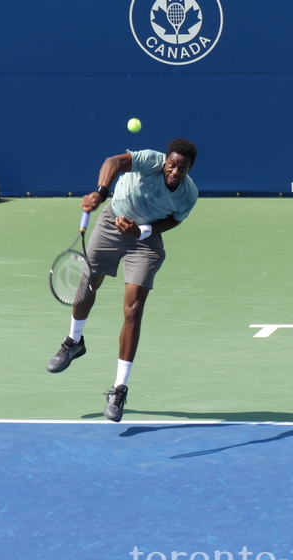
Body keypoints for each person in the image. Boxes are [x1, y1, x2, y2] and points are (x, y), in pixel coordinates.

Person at [47, 138, 198, 422]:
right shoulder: (150, 161)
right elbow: (113, 163)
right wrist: (101, 193)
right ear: (165, 160)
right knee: (88, 285)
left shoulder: (188, 195)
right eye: (172, 164)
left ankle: (118, 389)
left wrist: (140, 231)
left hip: (144, 241)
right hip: (111, 221)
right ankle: (73, 342)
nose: (175, 171)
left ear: (189, 169)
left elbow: (174, 220)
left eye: (183, 168)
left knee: (133, 310)